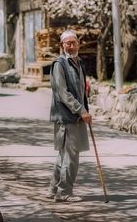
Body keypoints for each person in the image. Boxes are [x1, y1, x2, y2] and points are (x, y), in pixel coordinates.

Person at [47, 29, 92, 202]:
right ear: (62, 45)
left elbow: (80, 90)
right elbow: (62, 92)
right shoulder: (60, 64)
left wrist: (85, 110)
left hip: (76, 116)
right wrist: (81, 110)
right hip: (66, 116)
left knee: (64, 155)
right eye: (68, 43)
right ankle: (64, 192)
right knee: (71, 157)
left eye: (74, 42)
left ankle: (53, 190)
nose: (71, 46)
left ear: (78, 44)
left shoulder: (78, 62)